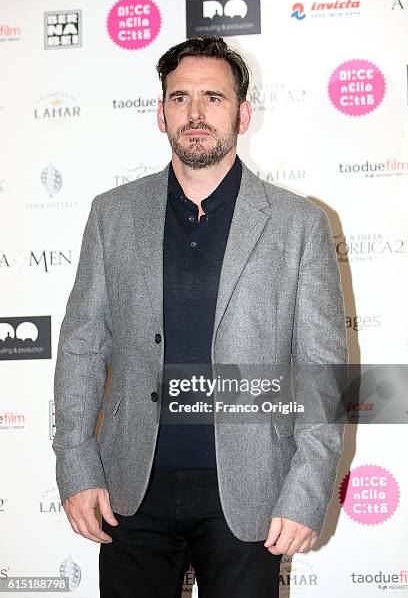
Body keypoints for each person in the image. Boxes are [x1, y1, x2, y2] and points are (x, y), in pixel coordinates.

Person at [52, 36, 348, 598]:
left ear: (243, 112)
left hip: (249, 491)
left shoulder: (298, 224)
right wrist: (75, 465)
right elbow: (81, 348)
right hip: (129, 489)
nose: (195, 113)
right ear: (160, 113)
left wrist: (308, 489)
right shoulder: (111, 215)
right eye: (179, 97)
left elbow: (321, 370)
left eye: (214, 97)